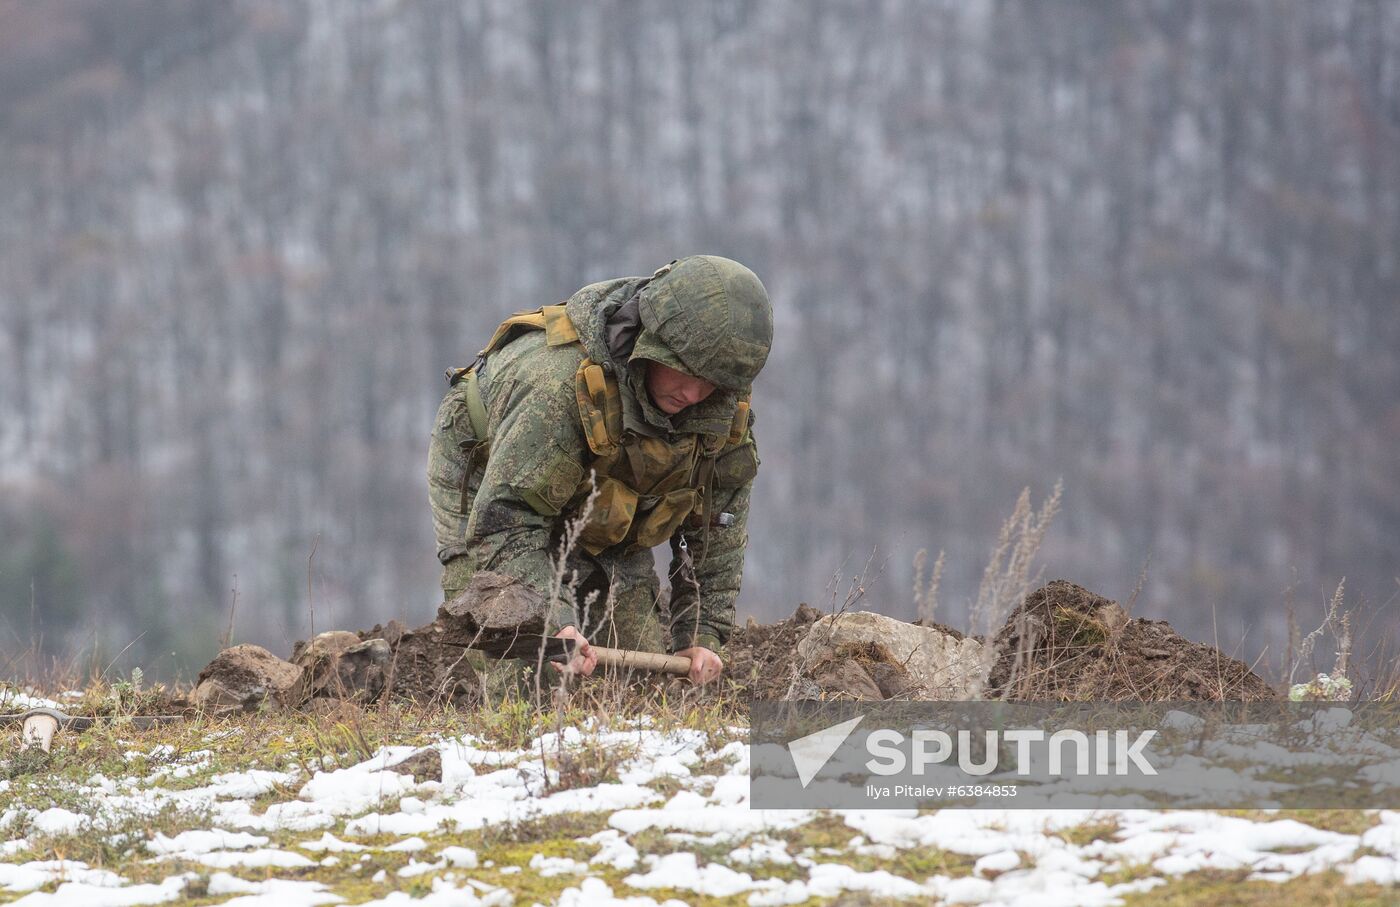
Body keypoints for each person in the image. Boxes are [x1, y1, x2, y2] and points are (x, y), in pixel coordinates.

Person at [427, 256, 772, 689]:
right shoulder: (555, 385)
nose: (692, 393)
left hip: (603, 495)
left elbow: (716, 528)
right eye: (685, 371)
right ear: (653, 344)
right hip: (492, 479)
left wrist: (700, 635)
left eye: (711, 383)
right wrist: (553, 622)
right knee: (531, 672)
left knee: (640, 688)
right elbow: (504, 521)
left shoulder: (720, 411)